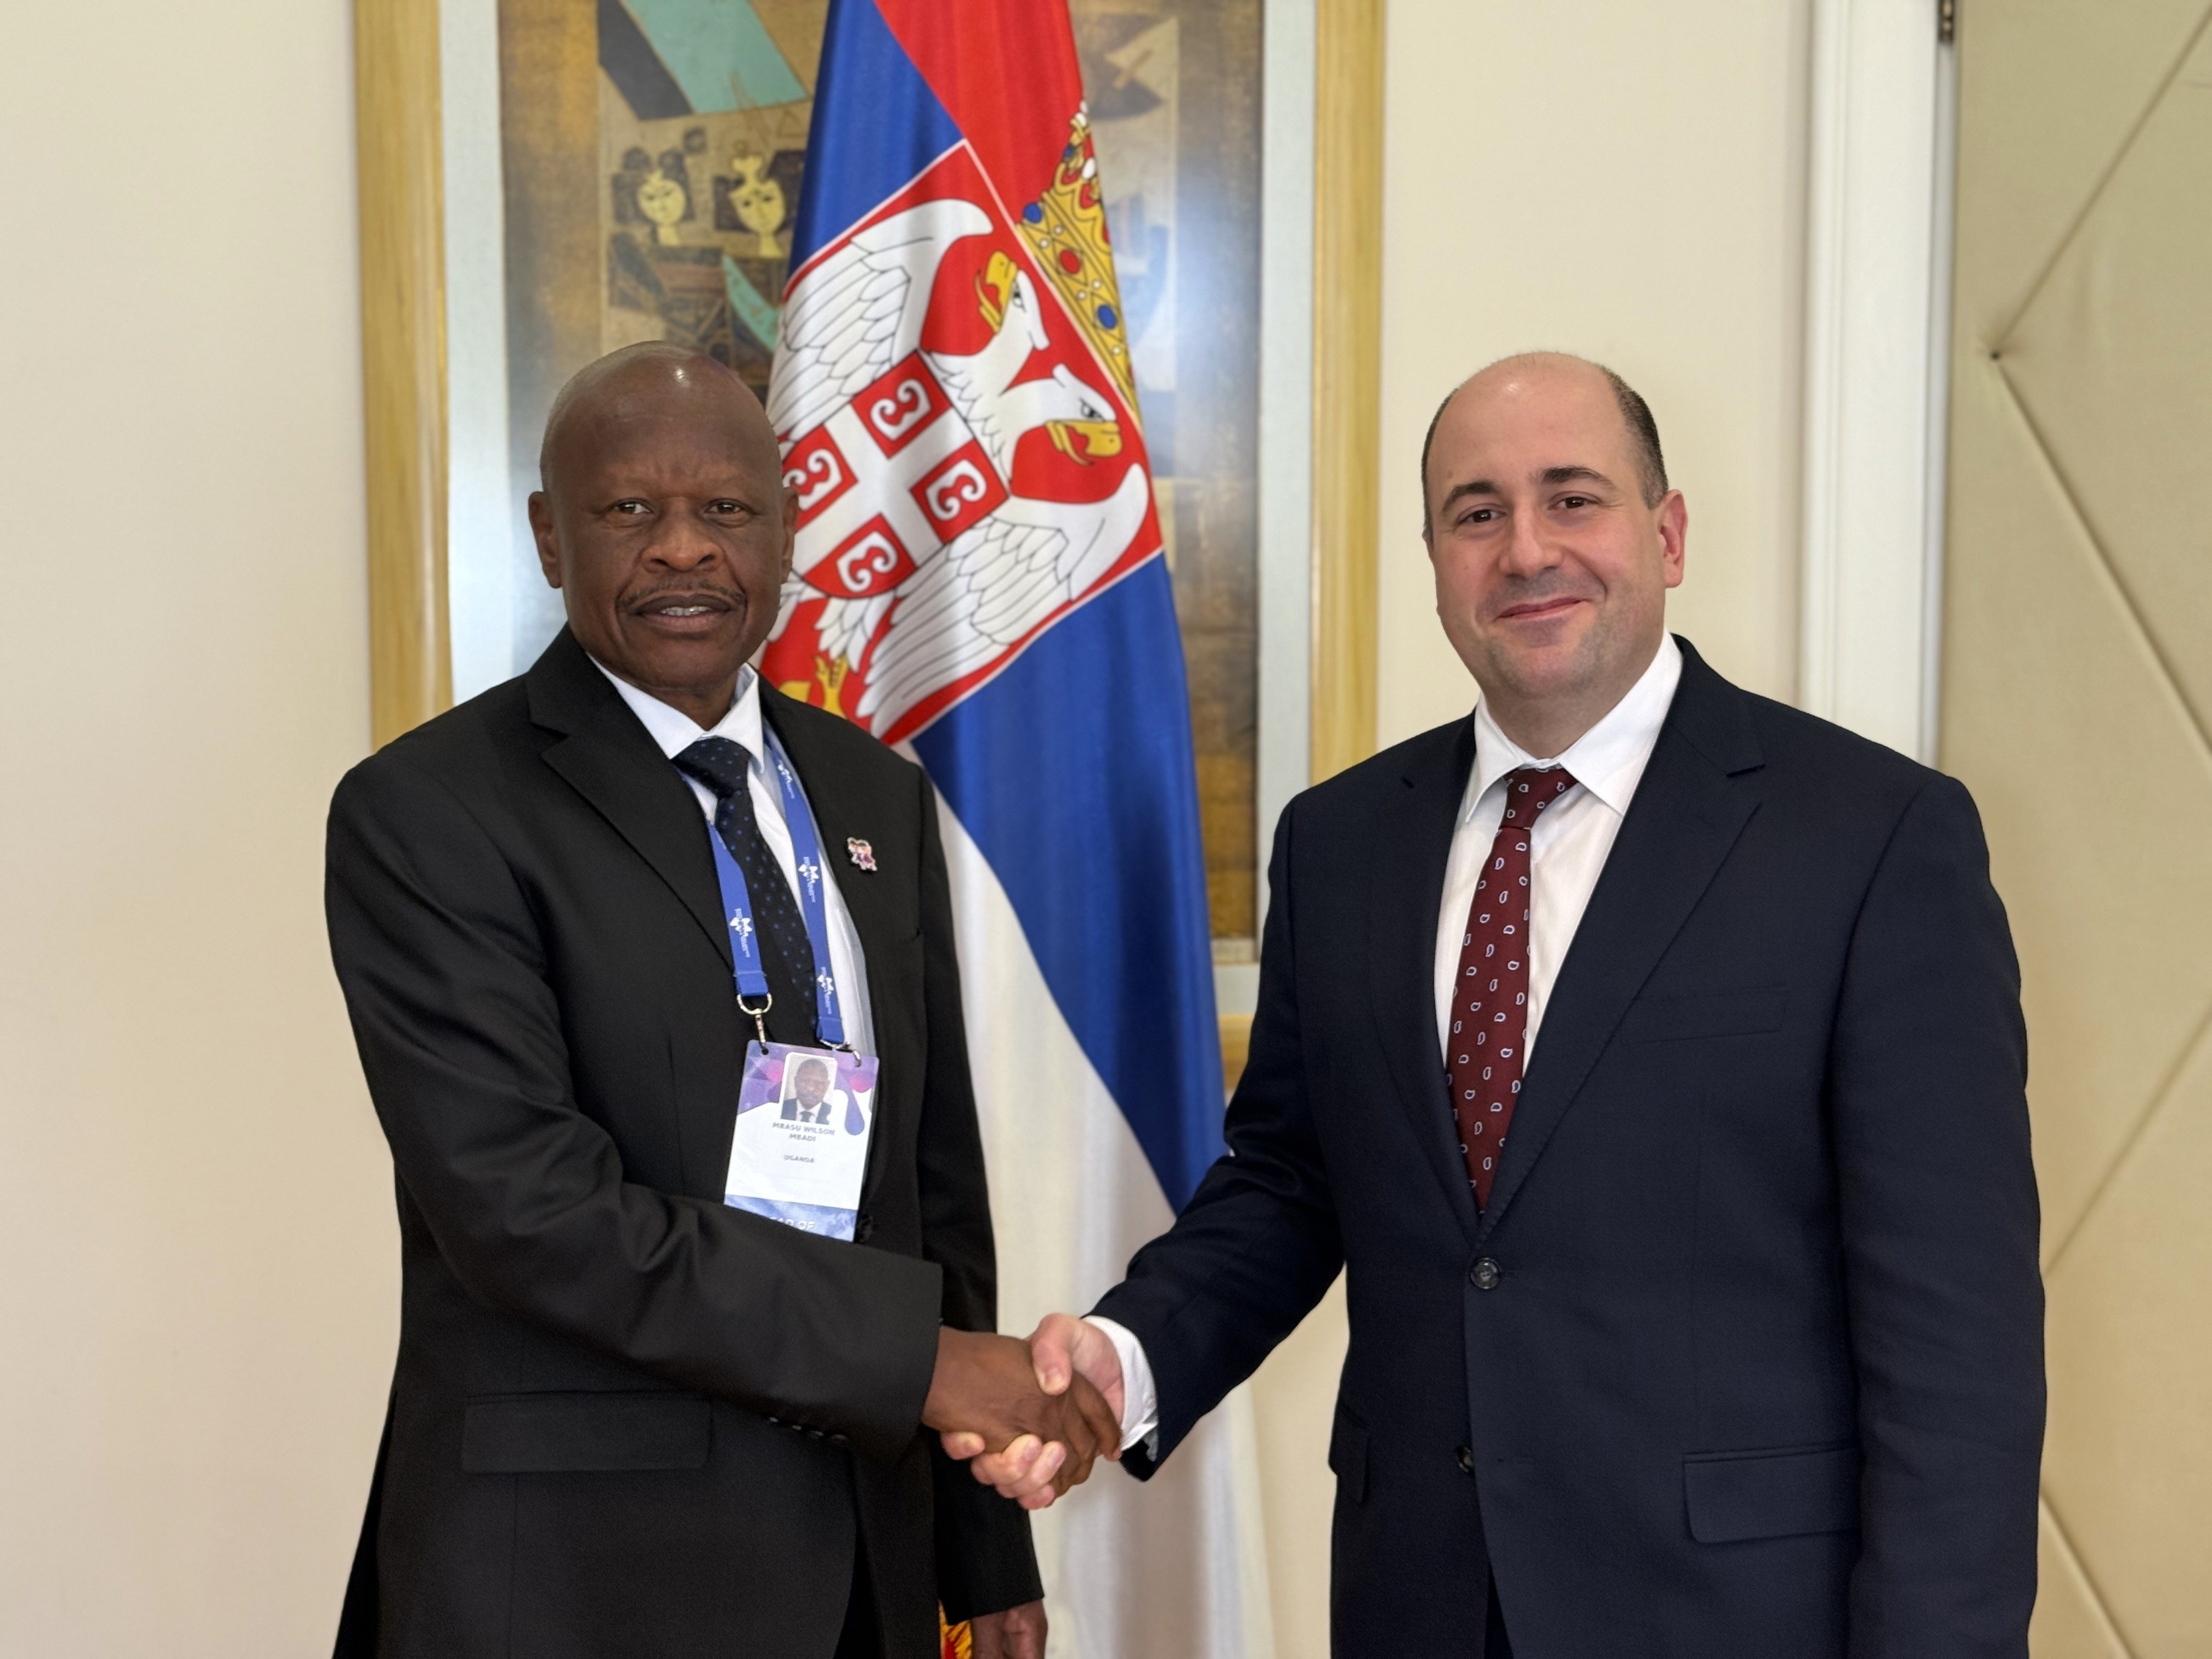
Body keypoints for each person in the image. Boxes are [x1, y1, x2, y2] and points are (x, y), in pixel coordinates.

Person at [961, 354, 2045, 1656]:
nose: (1527, 549)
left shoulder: (1872, 837)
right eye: (1477, 513)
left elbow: (1956, 1342)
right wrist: (1127, 1360)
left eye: (1572, 498)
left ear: (1668, 533)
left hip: (1735, 1617)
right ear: (1435, 560)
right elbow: (1293, 1184)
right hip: (1419, 1603)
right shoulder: (1341, 842)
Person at [325, 341, 1116, 1659]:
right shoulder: (430, 812)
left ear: (788, 530)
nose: (683, 548)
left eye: (727, 509)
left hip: (859, 1561)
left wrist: (982, 1552)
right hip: (574, 1581)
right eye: (630, 508)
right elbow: (532, 1219)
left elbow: (932, 1189)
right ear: (550, 536)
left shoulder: (873, 794)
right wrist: (924, 1365)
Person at [784, 1056, 839, 1125]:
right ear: (796, 1082)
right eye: (805, 1081)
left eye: (818, 1083)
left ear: (827, 1086)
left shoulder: (836, 1116)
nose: (811, 1088)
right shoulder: (782, 1108)